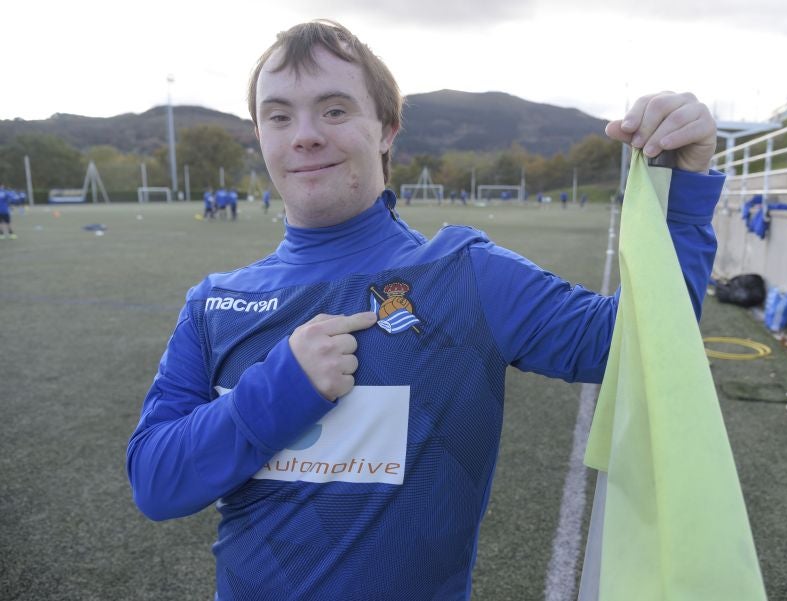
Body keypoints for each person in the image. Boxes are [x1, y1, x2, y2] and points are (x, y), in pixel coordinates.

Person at [127, 20, 721, 600]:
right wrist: (279, 390)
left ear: (386, 130)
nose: (304, 134)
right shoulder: (214, 304)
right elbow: (155, 482)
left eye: (334, 110)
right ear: (261, 136)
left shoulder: (465, 273)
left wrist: (683, 193)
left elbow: (637, 346)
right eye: (279, 116)